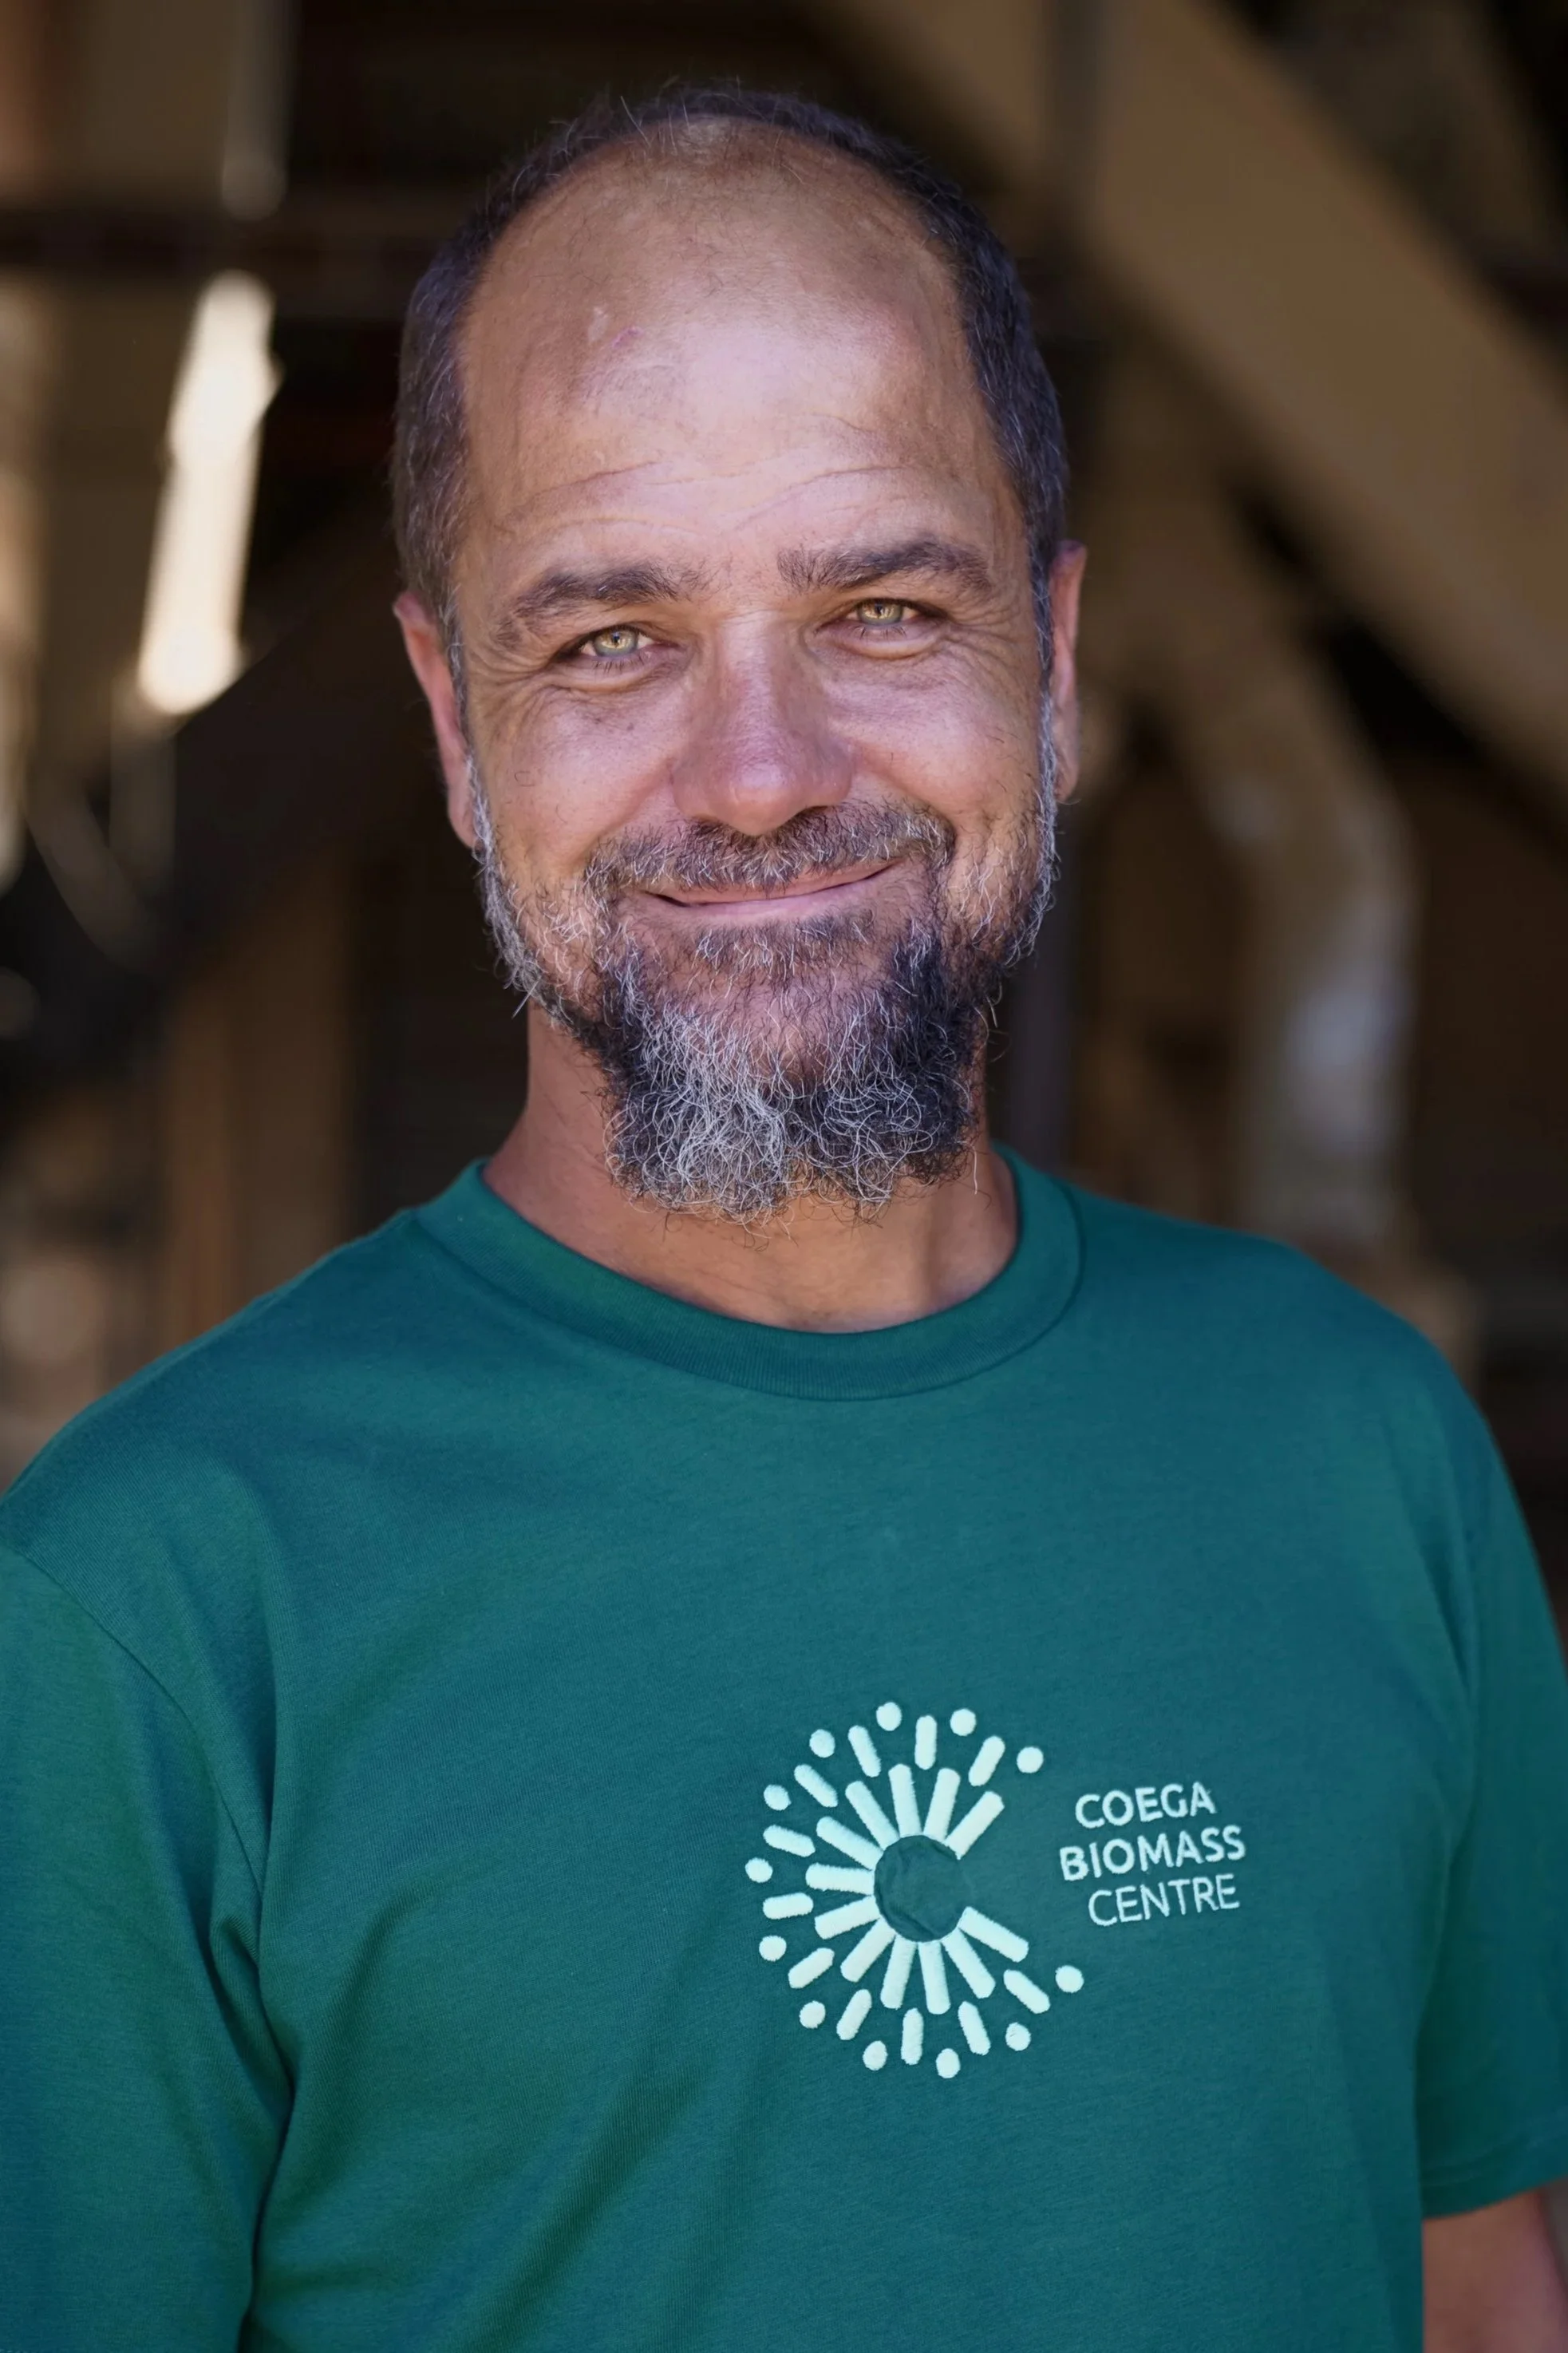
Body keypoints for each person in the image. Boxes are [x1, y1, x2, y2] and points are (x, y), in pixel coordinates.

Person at [2, 86, 1566, 2353]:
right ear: (454, 721)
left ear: (1047, 649)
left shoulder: (1360, 1448)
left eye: (881, 602)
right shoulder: (148, 1604)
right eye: (610, 641)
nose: (758, 769)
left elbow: (1474, 2285)